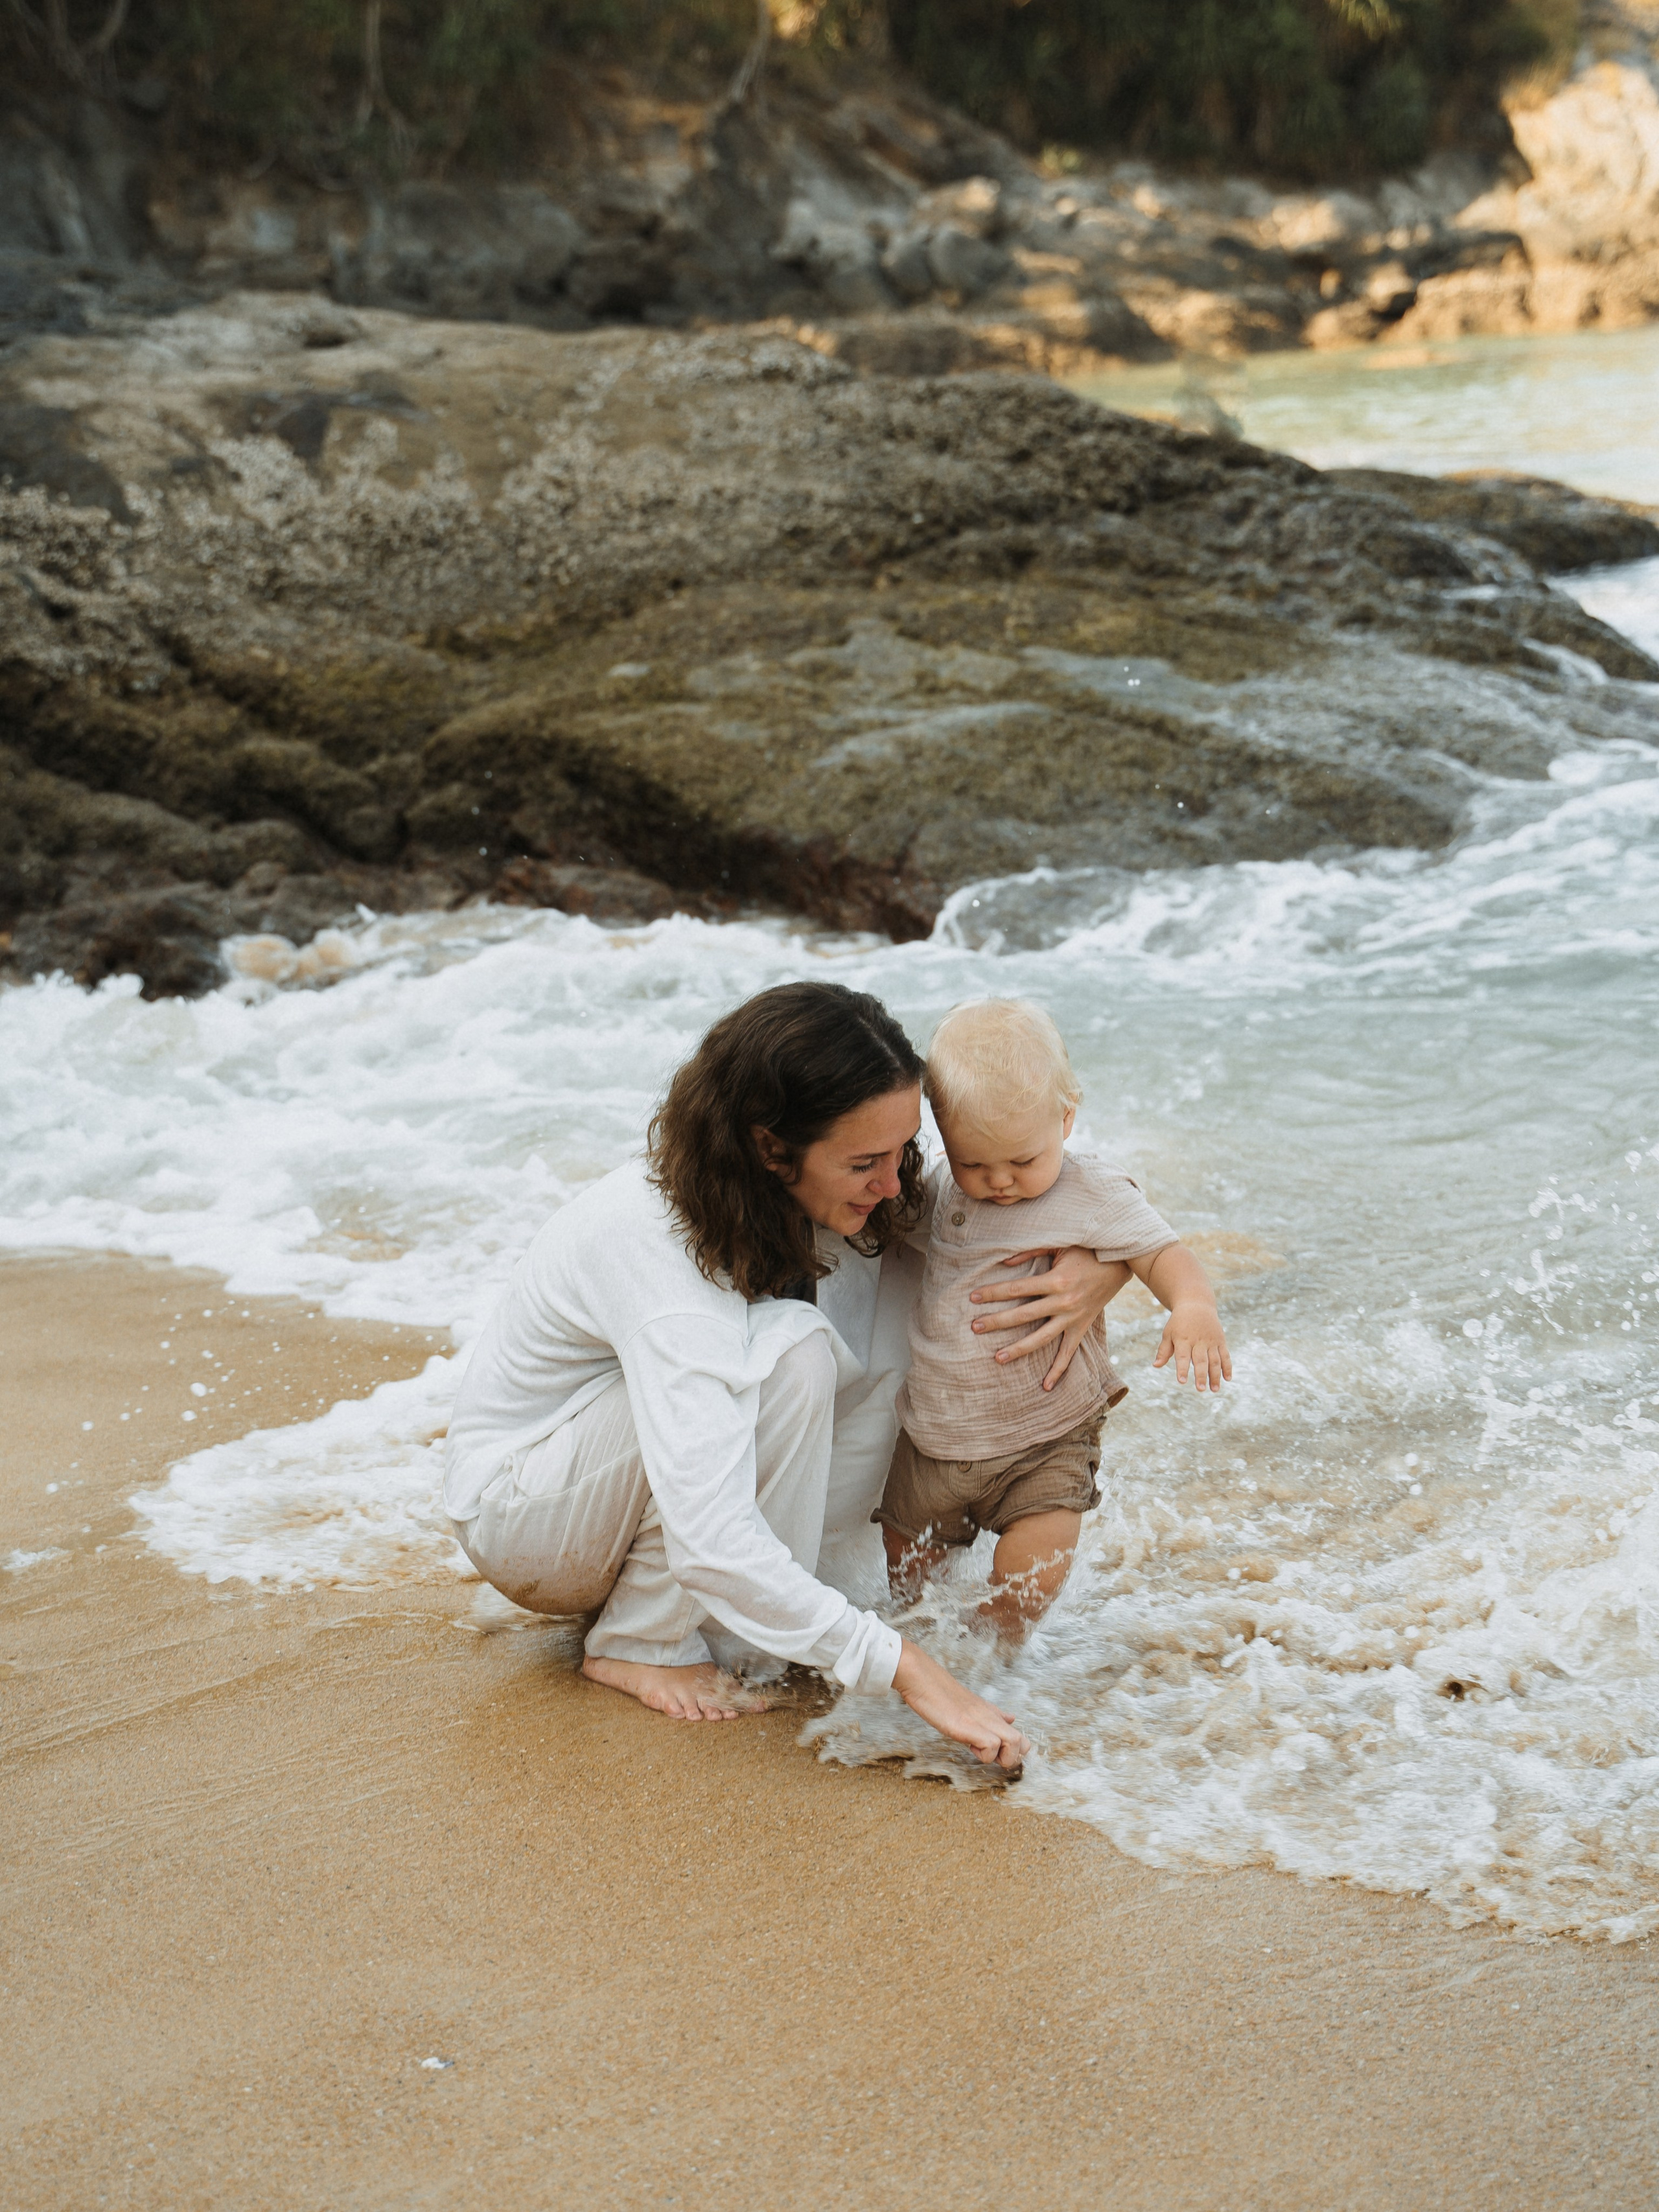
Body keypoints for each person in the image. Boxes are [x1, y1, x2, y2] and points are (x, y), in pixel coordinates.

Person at [444, 982, 1126, 1773]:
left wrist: (1100, 1263)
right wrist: (907, 1669)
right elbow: (706, 1531)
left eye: (903, 1150)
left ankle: (755, 1623)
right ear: (772, 1149)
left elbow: (1030, 1183)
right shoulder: (655, 1243)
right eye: (866, 1162)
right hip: (533, 1516)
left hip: (632, 1498)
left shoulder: (828, 1188)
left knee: (911, 1292)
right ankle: (638, 1640)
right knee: (792, 1346)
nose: (895, 1182)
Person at [877, 997, 1232, 1636]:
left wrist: (1193, 1305)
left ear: (1066, 1119)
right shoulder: (943, 1190)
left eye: (1021, 1160)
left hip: (1045, 1436)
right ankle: (924, 1660)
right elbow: (885, 1228)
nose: (1000, 1181)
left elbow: (1161, 1252)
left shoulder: (1090, 1190)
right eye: (974, 1162)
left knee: (1027, 1583)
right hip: (935, 1436)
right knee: (909, 1573)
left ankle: (998, 1664)